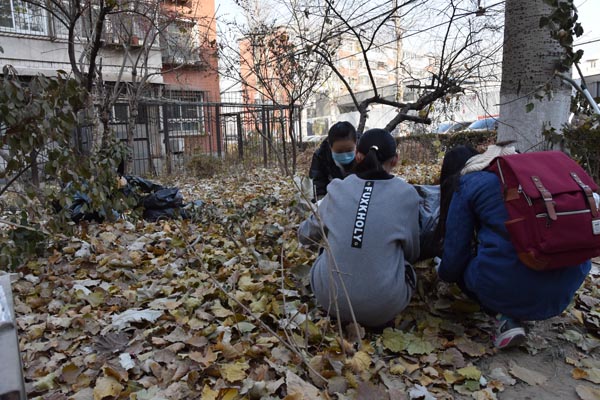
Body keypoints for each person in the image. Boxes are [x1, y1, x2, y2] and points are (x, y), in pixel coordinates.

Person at [437, 143, 591, 349]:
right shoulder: (532, 177)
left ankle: (504, 318)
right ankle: (528, 302)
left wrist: (442, 273)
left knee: (460, 264)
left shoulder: (469, 182)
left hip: (508, 286)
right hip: (565, 290)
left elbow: (454, 257)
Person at [298, 129, 421, 328]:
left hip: (329, 300)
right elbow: (412, 251)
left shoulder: (337, 188)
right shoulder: (408, 194)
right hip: (384, 308)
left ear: (358, 156)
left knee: (325, 247)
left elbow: (305, 235)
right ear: (395, 160)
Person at [309, 121, 358, 201]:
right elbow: (317, 186)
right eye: (339, 151)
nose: (345, 155)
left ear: (356, 144)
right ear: (330, 146)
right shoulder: (321, 156)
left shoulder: (364, 153)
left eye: (349, 150)